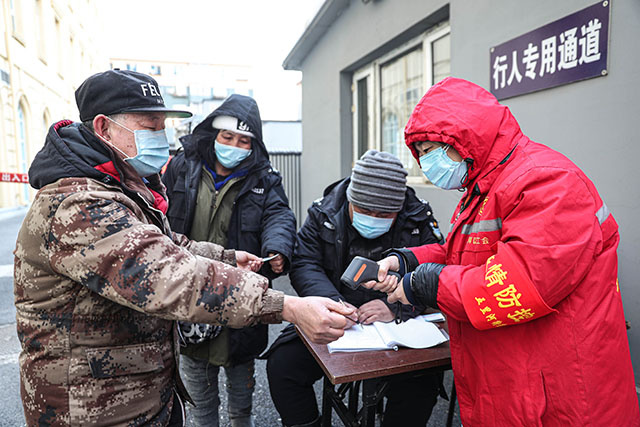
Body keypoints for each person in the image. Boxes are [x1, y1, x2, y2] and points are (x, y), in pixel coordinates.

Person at [13, 69, 354, 426]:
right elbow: (166, 273)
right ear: (104, 128)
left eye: (163, 126)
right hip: (92, 408)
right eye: (150, 126)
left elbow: (167, 244)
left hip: (135, 395)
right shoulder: (79, 203)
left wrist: (225, 256)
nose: (161, 137)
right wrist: (285, 306)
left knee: (240, 392)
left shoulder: (122, 184)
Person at [365, 77, 640, 426]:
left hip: (559, 394)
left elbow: (521, 283)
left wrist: (425, 285)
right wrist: (408, 260)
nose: (424, 165)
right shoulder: (485, 185)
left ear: (461, 139)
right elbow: (462, 253)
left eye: (428, 152)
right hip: (513, 377)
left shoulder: (547, 181)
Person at [266, 150, 446, 427]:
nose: (373, 218)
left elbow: (438, 273)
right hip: (335, 312)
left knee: (421, 383)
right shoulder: (323, 211)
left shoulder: (418, 216)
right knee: (283, 366)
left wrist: (397, 305)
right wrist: (332, 302)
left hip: (400, 322)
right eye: (363, 210)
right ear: (350, 198)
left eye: (384, 214)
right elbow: (304, 262)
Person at [162, 94, 296, 427]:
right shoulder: (183, 166)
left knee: (241, 394)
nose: (234, 145)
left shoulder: (265, 178)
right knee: (200, 399)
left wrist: (278, 248)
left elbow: (279, 215)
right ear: (214, 134)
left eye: (244, 140)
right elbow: (158, 214)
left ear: (254, 145)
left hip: (241, 298)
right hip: (191, 294)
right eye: (228, 137)